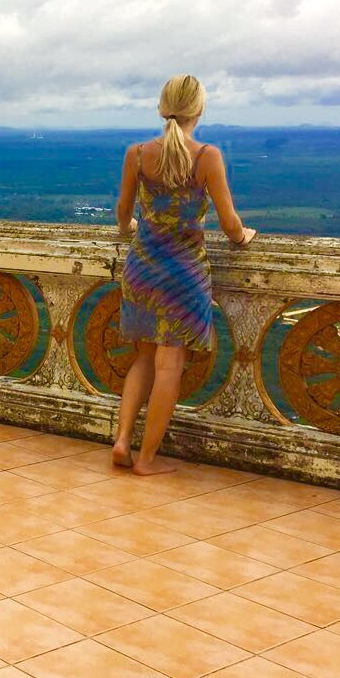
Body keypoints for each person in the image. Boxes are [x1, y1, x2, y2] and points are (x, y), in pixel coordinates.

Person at [111, 75, 256, 475]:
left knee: (142, 358)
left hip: (142, 269)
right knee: (169, 367)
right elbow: (229, 223)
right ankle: (146, 460)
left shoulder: (137, 154)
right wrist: (243, 235)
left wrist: (132, 228)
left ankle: (122, 440)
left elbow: (124, 212)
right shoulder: (207, 155)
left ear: (163, 107)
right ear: (200, 110)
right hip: (185, 275)